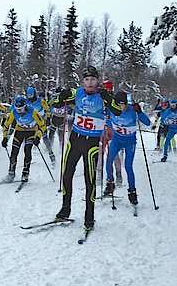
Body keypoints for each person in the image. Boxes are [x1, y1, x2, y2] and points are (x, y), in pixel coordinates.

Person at [51, 66, 123, 228]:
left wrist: (109, 99)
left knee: (89, 180)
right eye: (86, 80)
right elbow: (56, 105)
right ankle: (65, 209)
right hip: (75, 140)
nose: (89, 83)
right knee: (67, 175)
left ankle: (89, 216)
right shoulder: (77, 93)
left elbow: (117, 111)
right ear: (82, 81)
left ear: (97, 80)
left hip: (91, 143)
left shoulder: (103, 95)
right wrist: (61, 97)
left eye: (92, 79)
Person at [103, 92, 152, 203]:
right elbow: (107, 120)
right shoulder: (112, 109)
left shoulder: (132, 110)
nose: (121, 107)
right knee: (109, 160)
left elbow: (147, 122)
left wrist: (139, 112)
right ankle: (110, 183)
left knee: (128, 166)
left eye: (123, 105)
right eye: (119, 105)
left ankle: (132, 191)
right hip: (117, 139)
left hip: (130, 142)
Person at [1, 94, 46, 182]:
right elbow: (6, 125)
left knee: (27, 151)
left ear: (25, 106)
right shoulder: (13, 112)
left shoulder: (33, 111)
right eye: (17, 109)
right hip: (19, 132)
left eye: (20, 109)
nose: (19, 111)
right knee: (14, 152)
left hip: (31, 132)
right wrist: (5, 137)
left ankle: (25, 173)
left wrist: (38, 137)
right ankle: (11, 173)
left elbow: (43, 125)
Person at [100, 79, 123, 185]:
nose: (107, 90)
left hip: (112, 127)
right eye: (105, 88)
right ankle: (99, 175)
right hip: (101, 127)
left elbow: (119, 111)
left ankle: (118, 175)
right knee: (100, 151)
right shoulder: (99, 98)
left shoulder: (113, 99)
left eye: (108, 88)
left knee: (113, 153)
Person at [25, 86, 55, 160]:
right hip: (32, 122)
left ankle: (51, 155)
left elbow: (48, 109)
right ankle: (27, 157)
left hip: (41, 121)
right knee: (28, 139)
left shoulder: (40, 101)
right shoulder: (26, 102)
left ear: (34, 94)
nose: (30, 97)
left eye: (31, 95)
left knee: (45, 138)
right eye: (28, 95)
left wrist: (48, 118)